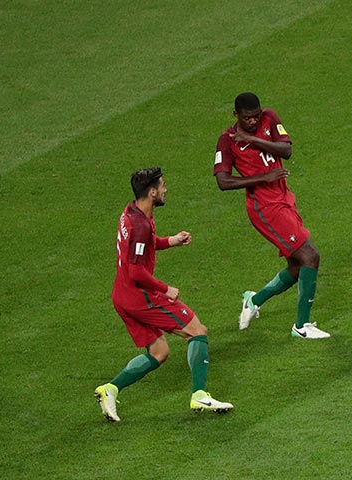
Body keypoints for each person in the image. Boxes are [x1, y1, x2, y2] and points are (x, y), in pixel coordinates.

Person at [94, 168, 233, 422]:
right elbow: (136, 271)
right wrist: (164, 288)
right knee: (197, 330)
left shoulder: (132, 212)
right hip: (140, 296)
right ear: (152, 192)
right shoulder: (139, 226)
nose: (166, 190)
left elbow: (144, 245)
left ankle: (110, 390)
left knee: (159, 352)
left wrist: (172, 240)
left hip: (122, 295)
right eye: (163, 186)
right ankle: (199, 394)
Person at [213, 92, 329, 339]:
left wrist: (253, 140)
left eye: (255, 116)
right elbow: (223, 181)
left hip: (285, 198)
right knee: (310, 256)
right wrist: (261, 178)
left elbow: (286, 150)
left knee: (297, 268)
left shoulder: (269, 117)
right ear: (236, 116)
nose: (253, 121)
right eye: (247, 118)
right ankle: (301, 326)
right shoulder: (227, 141)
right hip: (264, 208)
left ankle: (254, 300)